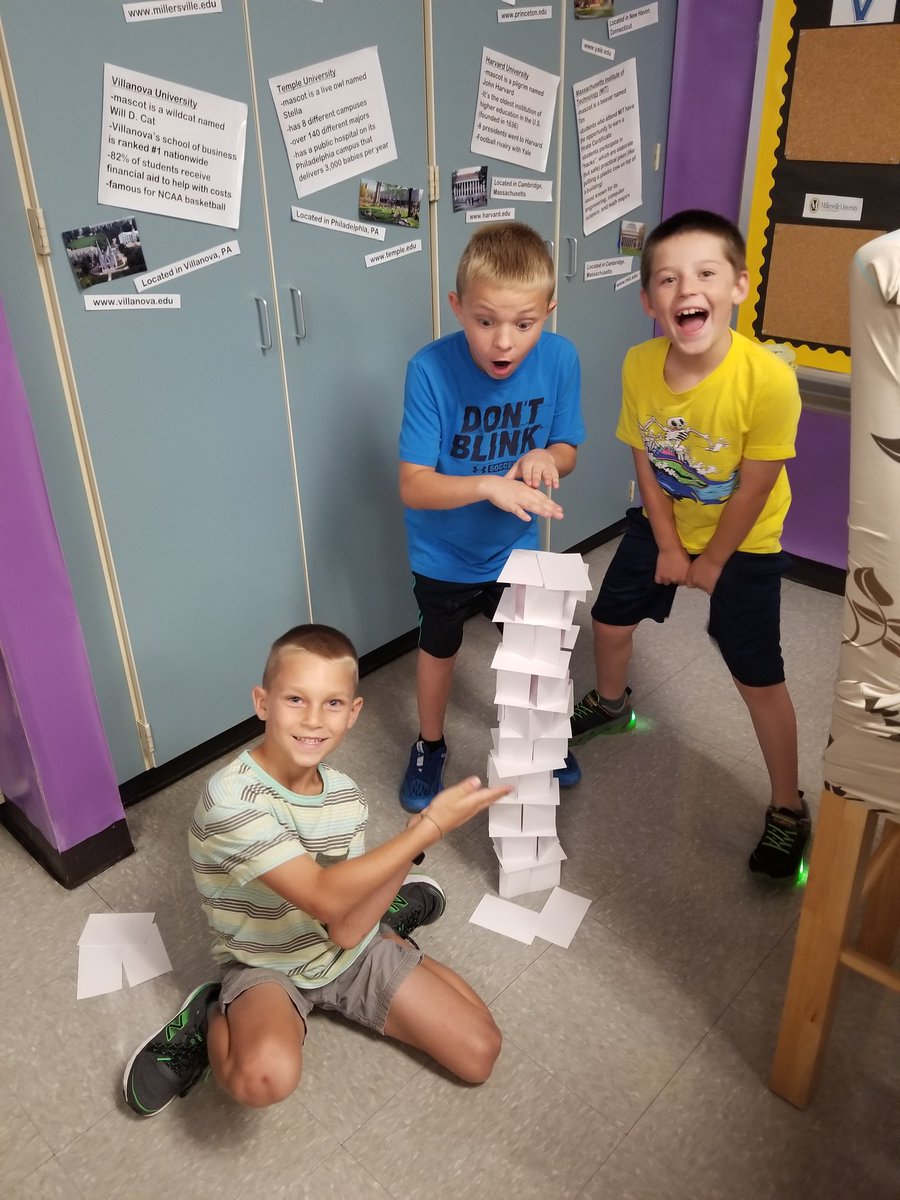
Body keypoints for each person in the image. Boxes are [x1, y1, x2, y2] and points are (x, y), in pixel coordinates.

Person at [123, 624, 508, 1117]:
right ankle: (210, 1016)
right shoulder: (231, 797)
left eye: (331, 704)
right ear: (262, 702)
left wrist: (409, 848)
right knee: (264, 1077)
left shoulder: (347, 797)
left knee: (480, 1054)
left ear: (353, 713)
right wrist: (425, 831)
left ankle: (390, 927)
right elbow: (323, 897)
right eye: (295, 700)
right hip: (264, 962)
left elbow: (345, 929)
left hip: (344, 948)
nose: (312, 719)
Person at [570, 209, 809, 880]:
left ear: (737, 284)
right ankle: (613, 704)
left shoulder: (768, 378)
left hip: (746, 541)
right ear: (649, 301)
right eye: (668, 279)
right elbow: (646, 461)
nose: (686, 290)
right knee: (608, 620)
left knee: (756, 677)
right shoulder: (640, 363)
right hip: (663, 522)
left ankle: (789, 807)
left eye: (705, 273)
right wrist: (670, 546)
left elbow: (755, 489)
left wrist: (709, 562)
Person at [398, 221, 586, 811]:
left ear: (549, 310)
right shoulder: (429, 370)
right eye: (485, 321)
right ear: (457, 307)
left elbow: (568, 449)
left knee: (535, 655)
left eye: (524, 324)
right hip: (443, 554)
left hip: (517, 548)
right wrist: (486, 487)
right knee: (439, 648)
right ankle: (430, 744)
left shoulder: (560, 359)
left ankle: (543, 741)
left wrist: (544, 457)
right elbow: (414, 486)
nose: (503, 342)